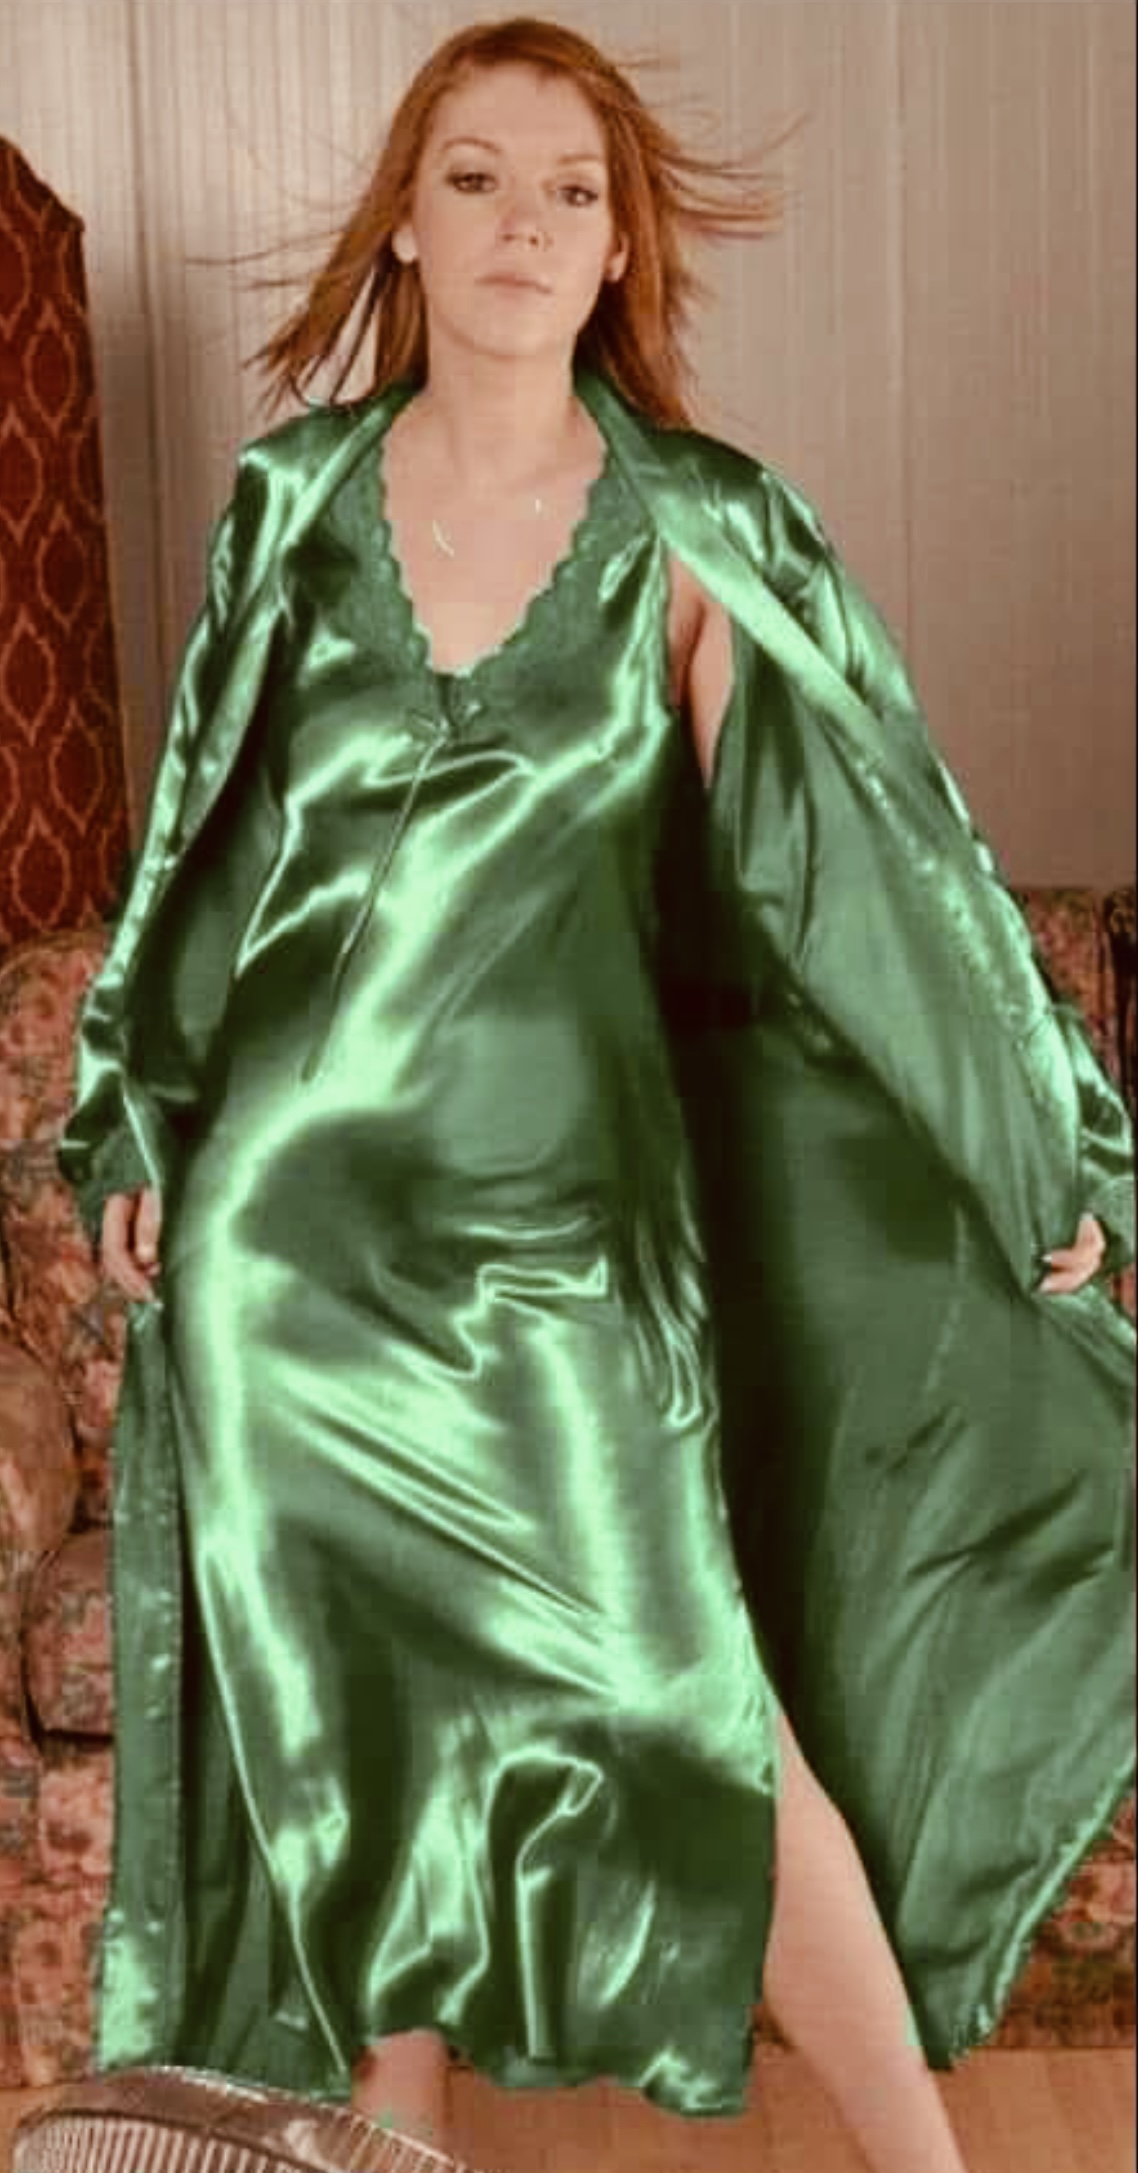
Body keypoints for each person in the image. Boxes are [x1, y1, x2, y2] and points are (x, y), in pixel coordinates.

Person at [58, 17, 1134, 2173]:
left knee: (692, 1710)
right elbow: (199, 849)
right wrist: (137, 1115)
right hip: (289, 1239)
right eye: (473, 177)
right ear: (405, 220)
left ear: (622, 240)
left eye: (570, 189)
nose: (521, 224)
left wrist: (1037, 1141)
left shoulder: (698, 526)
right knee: (351, 1717)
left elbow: (878, 866)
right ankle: (394, 2145)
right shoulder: (292, 503)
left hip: (567, 1236)